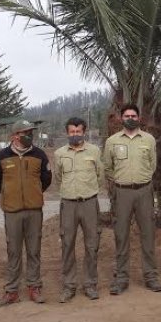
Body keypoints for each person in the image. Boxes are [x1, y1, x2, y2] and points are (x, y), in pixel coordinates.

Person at [101, 103, 161, 295]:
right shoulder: (112, 142)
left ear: (139, 118)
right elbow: (108, 168)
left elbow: (152, 165)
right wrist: (121, 182)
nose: (130, 118)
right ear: (121, 118)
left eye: (133, 116)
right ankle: (121, 278)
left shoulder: (149, 140)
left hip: (144, 191)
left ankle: (151, 276)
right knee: (121, 235)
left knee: (148, 234)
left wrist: (141, 180)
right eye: (126, 116)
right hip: (122, 193)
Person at [0, 120, 52, 306]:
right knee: (13, 251)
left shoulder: (40, 155)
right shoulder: (2, 156)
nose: (29, 135)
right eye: (25, 132)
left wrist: (33, 194)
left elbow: (46, 180)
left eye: (30, 132)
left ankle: (34, 286)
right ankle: (12, 291)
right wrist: (11, 195)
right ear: (15, 136)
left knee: (34, 250)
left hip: (34, 211)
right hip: (12, 211)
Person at [53, 117, 104, 302]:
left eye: (78, 131)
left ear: (84, 132)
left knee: (91, 245)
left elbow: (100, 175)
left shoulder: (94, 151)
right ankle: (69, 286)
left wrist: (89, 191)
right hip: (68, 204)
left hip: (89, 203)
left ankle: (90, 284)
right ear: (67, 133)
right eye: (72, 132)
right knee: (68, 245)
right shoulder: (59, 154)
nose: (75, 135)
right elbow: (58, 177)